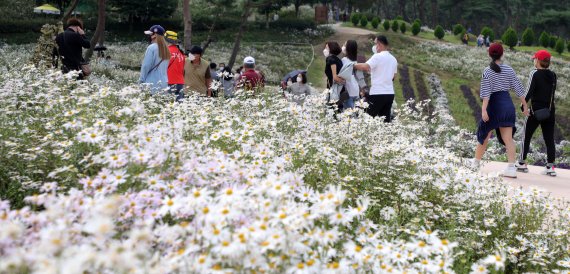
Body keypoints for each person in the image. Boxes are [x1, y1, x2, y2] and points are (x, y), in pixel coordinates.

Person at [472, 43, 529, 178]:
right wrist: (525, 105)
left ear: (489, 54)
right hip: (507, 106)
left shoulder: (487, 71)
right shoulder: (509, 69)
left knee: (484, 134)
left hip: (494, 106)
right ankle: (511, 168)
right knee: (508, 139)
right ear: (502, 54)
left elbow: (486, 93)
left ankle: (475, 164)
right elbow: (518, 88)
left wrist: (484, 110)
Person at [516, 50, 557, 176]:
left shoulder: (534, 73)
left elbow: (528, 92)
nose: (534, 60)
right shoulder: (553, 75)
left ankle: (522, 163)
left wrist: (523, 107)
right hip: (549, 111)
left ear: (538, 61)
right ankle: (550, 167)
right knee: (549, 138)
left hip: (535, 111)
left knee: (526, 136)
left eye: (535, 59)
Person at [353, 35, 398, 122]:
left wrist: (352, 65)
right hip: (390, 94)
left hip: (378, 93)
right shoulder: (393, 59)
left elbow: (365, 66)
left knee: (366, 118)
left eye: (375, 44)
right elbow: (394, 76)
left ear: (379, 44)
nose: (374, 46)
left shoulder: (377, 56)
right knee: (385, 120)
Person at [139, 25, 170, 94]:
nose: (149, 36)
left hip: (151, 84)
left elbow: (146, 66)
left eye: (150, 34)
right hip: (164, 84)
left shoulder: (151, 48)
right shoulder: (166, 49)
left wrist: (141, 80)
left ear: (154, 35)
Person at [165, 30, 185, 102]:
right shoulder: (180, 52)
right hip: (180, 82)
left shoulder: (166, 51)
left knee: (168, 106)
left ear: (166, 40)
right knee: (179, 108)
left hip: (169, 82)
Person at [341, 40, 360, 109]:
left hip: (348, 91)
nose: (343, 46)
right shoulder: (355, 61)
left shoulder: (344, 60)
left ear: (348, 48)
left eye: (345, 45)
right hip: (356, 90)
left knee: (348, 116)